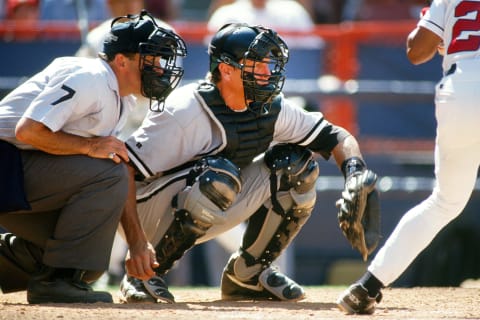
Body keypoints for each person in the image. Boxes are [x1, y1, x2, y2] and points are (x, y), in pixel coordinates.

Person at [117, 22, 378, 304]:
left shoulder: (270, 107)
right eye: (256, 63)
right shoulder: (185, 110)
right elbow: (122, 171)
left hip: (208, 194)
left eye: (269, 63)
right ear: (225, 70)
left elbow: (337, 136)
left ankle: (248, 275)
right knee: (218, 177)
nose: (267, 72)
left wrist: (354, 174)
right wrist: (136, 242)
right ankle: (142, 276)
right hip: (141, 211)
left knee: (297, 165)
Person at [0, 10, 186, 304]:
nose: (160, 69)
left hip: (16, 170)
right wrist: (89, 147)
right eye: (150, 60)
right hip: (6, 161)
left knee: (86, 264)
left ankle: (16, 260)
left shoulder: (121, 98)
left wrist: (137, 242)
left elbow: (120, 165)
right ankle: (55, 283)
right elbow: (28, 131)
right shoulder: (91, 77)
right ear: (121, 61)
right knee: (105, 174)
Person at [337, 0, 478, 314]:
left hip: (459, 93)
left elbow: (416, 51)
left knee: (444, 202)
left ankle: (367, 286)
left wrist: (439, 31)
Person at [207, 0, 322, 48]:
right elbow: (209, 49)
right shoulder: (226, 13)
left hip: (288, 84)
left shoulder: (293, 11)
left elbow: (311, 51)